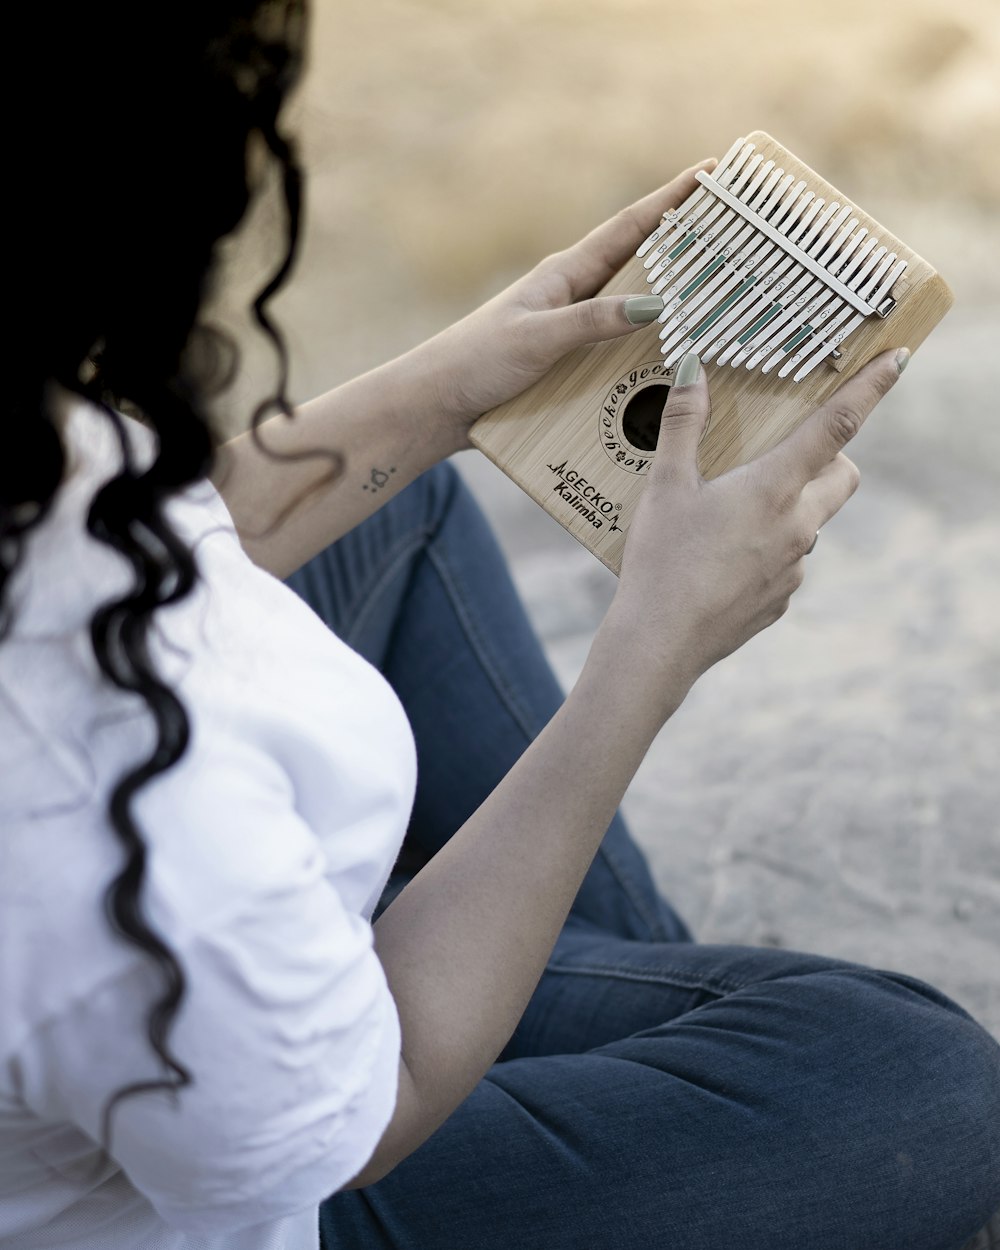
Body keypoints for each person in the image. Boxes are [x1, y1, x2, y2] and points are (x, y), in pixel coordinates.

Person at [2, 3, 998, 1248]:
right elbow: (378, 1109)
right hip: (279, 1180)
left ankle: (590, 991)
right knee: (915, 1079)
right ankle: (635, 1023)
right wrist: (651, 654)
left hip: (179, 982)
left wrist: (460, 377)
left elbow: (146, 527)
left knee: (394, 498)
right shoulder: (103, 808)